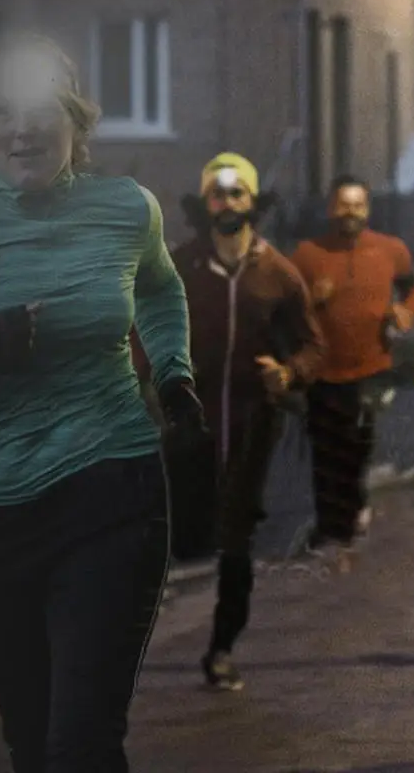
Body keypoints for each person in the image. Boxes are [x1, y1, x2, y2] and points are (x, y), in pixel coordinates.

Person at [0, 34, 203, 773]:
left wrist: (174, 375)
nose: (24, 129)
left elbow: (160, 287)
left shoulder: (125, 209)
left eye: (44, 111)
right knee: (30, 739)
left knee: (81, 742)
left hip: (110, 491)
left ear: (77, 124)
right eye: (4, 114)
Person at [134, 153, 324, 691]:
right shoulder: (180, 267)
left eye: (237, 193)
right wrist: (138, 378)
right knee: (181, 533)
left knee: (237, 539)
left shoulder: (279, 274)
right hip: (187, 425)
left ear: (253, 202)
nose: (227, 203)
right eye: (217, 194)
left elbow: (313, 347)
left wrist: (288, 374)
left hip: (252, 425)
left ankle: (221, 647)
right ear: (204, 204)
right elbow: (142, 333)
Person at [290, 175, 414, 555]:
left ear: (367, 209)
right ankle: (332, 526)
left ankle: (345, 520)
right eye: (343, 204)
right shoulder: (306, 255)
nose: (350, 212)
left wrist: (405, 311)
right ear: (330, 208)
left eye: (357, 205)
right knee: (325, 449)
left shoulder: (389, 250)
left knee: (356, 445)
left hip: (371, 367)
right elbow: (284, 309)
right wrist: (312, 301)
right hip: (323, 370)